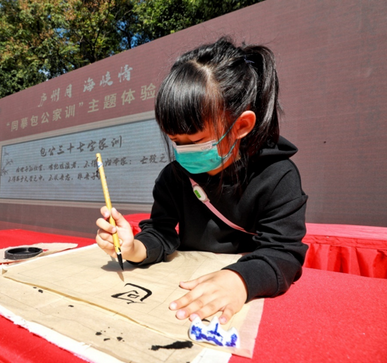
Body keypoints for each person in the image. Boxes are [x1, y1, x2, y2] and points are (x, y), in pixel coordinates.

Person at [96, 37, 308, 325]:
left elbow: (283, 253)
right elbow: (161, 232)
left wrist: (239, 281)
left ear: (241, 125)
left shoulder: (278, 176)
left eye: (196, 140)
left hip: (239, 296)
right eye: (175, 141)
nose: (184, 152)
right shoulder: (174, 177)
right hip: (181, 287)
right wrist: (132, 248)